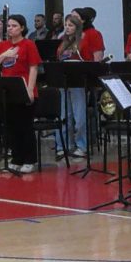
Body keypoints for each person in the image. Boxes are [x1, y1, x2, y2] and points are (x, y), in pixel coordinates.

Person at [0, 13, 41, 173]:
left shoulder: (28, 44)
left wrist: (30, 89)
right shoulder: (3, 45)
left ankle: (29, 159)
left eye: (14, 26)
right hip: (8, 91)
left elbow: (33, 67)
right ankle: (16, 158)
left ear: (22, 28)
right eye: (9, 26)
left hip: (24, 88)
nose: (11, 29)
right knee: (11, 127)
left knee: (25, 126)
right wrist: (5, 54)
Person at [54, 12, 89, 159]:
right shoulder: (61, 41)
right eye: (66, 25)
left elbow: (88, 60)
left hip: (78, 82)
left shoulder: (83, 41)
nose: (67, 28)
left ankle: (81, 145)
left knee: (79, 116)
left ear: (77, 26)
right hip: (63, 81)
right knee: (63, 115)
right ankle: (63, 145)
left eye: (71, 25)